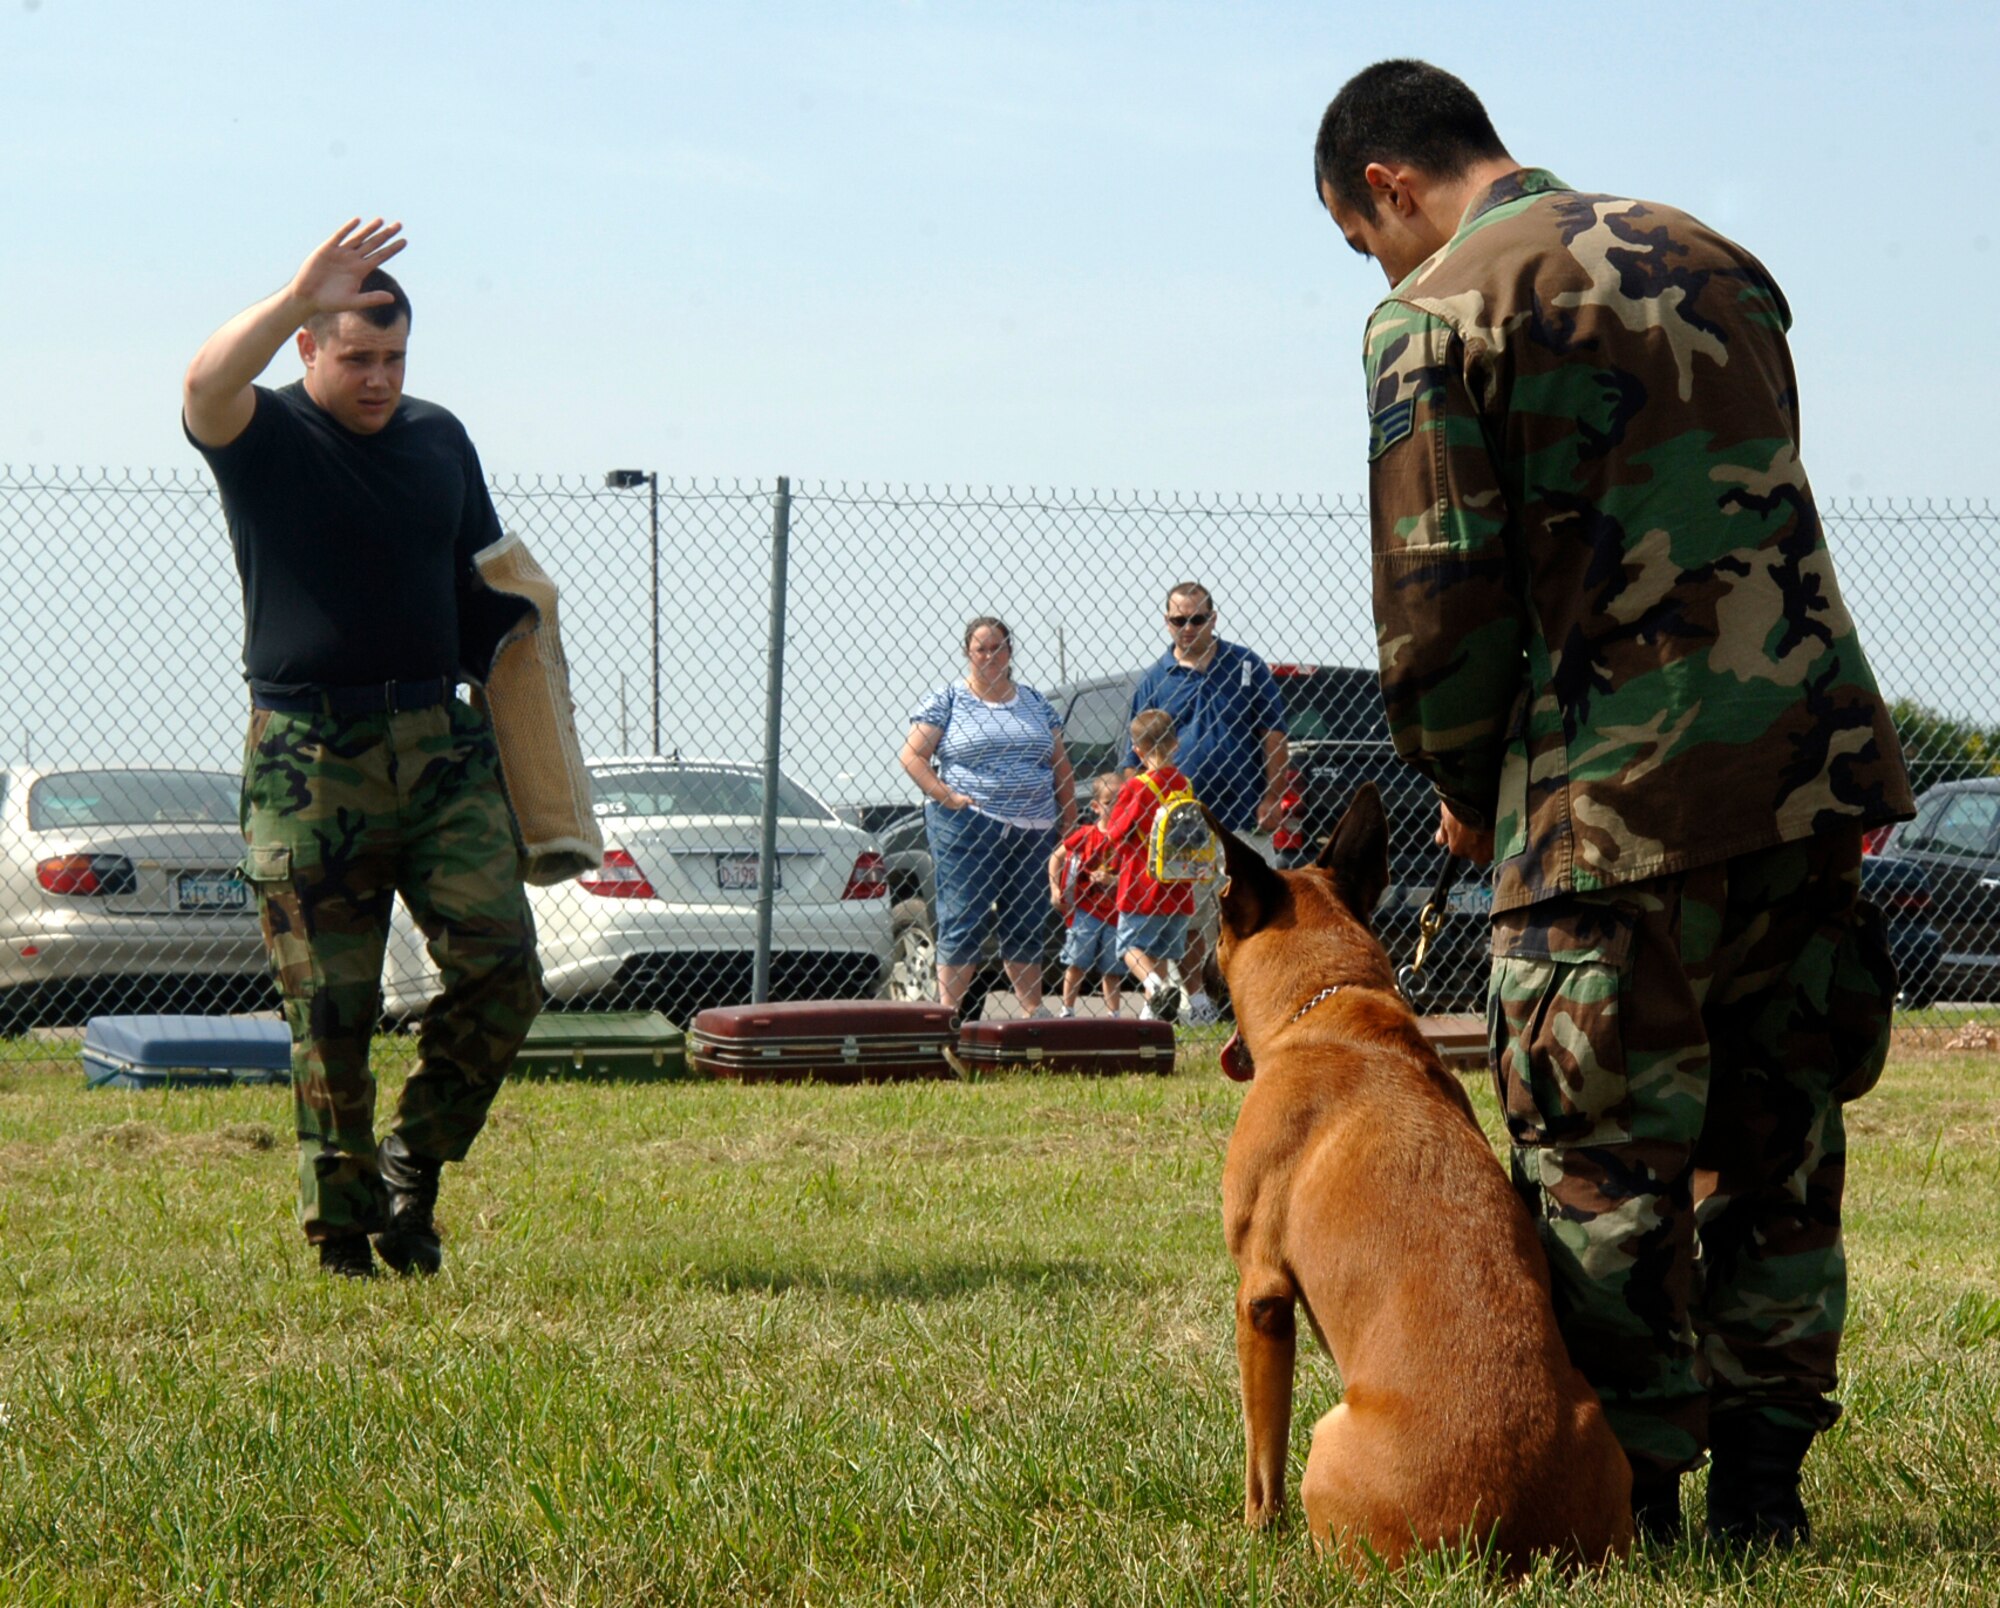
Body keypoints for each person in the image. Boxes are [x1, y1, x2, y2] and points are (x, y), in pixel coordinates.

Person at [1313, 61, 1914, 1546]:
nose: (1381, 263)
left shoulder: (1436, 313)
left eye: (1361, 235)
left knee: (1603, 1162)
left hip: (1605, 805)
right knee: (1781, 1140)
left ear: (1389, 185)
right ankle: (1767, 1491)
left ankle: (1638, 1494)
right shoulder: (1720, 258)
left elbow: (1438, 609)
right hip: (1803, 775)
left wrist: (1464, 786)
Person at [183, 219, 543, 1280]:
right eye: (356, 357)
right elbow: (205, 382)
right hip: (308, 754)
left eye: (393, 359)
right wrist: (295, 294)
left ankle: (412, 1164)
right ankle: (344, 1238)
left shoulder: (440, 438)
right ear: (307, 349)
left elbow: (482, 578)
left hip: (442, 747)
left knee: (504, 968)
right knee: (329, 1011)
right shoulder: (264, 436)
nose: (380, 379)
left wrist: (523, 654)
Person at [1125, 583, 1288, 1025]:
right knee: (1191, 921)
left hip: (1242, 818)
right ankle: (1198, 1002)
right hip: (1181, 830)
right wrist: (1140, 826)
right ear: (1167, 622)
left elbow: (1273, 735)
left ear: (1213, 619)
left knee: (1257, 913)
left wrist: (1273, 795)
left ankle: (1263, 1003)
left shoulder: (1246, 666)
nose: (1189, 628)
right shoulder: (1155, 680)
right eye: (1179, 620)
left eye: (1198, 619)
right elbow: (1132, 761)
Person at [900, 617, 1077, 1017]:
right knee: (965, 916)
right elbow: (912, 757)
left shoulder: (1035, 703)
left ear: (1010, 651)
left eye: (997, 647)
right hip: (970, 824)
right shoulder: (947, 700)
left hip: (1034, 829)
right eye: (981, 649)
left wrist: (1067, 822)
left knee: (1027, 917)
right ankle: (948, 1014)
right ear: (968, 653)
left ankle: (1033, 1011)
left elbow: (1060, 765)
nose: (989, 656)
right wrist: (947, 797)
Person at [1105, 710, 1198, 1024]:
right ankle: (1155, 1016)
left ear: (1137, 750)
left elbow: (1116, 830)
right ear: (1176, 744)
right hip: (1179, 886)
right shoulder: (1184, 784)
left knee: (1130, 946)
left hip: (1141, 888)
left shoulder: (1137, 787)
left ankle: (1156, 986)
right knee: (1158, 951)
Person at [1047, 772, 1127, 1017]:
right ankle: (1067, 1008)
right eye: (1109, 802)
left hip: (1115, 913)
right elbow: (1056, 857)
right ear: (1095, 806)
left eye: (1121, 801)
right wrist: (1055, 889)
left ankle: (1113, 1014)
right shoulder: (1086, 834)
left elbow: (1133, 874)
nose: (1115, 808)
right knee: (1076, 963)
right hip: (1086, 909)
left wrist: (1113, 879)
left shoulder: (1126, 838)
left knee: (1112, 969)